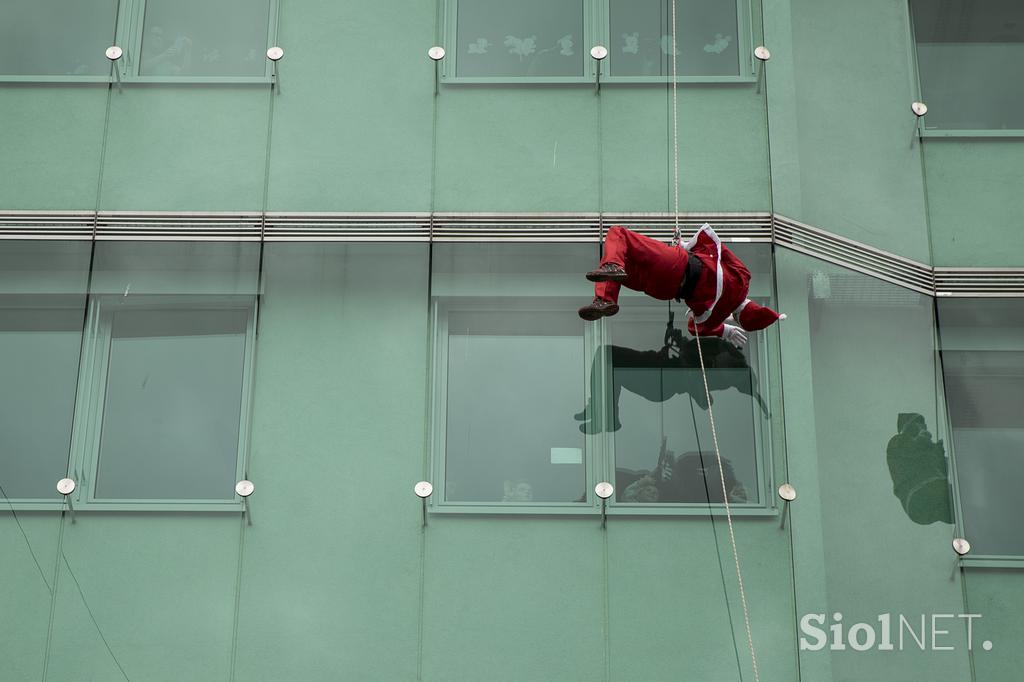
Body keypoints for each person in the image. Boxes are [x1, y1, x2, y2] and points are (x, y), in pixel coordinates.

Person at [578, 224, 783, 346]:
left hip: (678, 265)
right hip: (667, 290)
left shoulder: (742, 279)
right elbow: (695, 328)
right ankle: (604, 300)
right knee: (621, 266)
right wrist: (725, 331)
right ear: (738, 316)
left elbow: (721, 249)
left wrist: (685, 246)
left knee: (618, 235)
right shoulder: (715, 316)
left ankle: (605, 296)